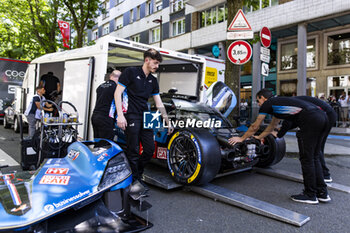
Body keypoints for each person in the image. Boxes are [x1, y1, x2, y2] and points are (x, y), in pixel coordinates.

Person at [228, 89, 330, 204]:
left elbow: (255, 126)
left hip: (311, 120)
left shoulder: (267, 104)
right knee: (315, 157)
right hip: (323, 117)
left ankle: (310, 194)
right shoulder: (277, 104)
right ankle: (322, 192)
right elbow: (272, 126)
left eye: (258, 101)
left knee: (307, 159)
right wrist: (259, 137)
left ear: (263, 98)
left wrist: (241, 138)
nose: (258, 103)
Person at [114, 48, 173, 190]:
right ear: (147, 60)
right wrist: (120, 115)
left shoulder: (153, 80)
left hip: (147, 115)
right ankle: (134, 179)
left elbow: (159, 103)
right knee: (133, 149)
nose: (157, 66)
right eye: (155, 63)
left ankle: (137, 172)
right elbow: (117, 93)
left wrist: (167, 121)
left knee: (149, 149)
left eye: (158, 63)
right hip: (131, 114)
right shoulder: (130, 72)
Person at [273, 95, 336, 183]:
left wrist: (279, 134)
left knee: (315, 149)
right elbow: (295, 121)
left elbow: (288, 122)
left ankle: (324, 174)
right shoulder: (294, 101)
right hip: (328, 114)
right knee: (318, 147)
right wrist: (282, 129)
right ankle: (324, 174)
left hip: (325, 115)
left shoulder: (289, 104)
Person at [91, 70, 121, 141]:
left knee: (97, 141)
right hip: (106, 117)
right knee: (106, 143)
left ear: (110, 76)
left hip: (95, 116)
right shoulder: (116, 88)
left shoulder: (100, 86)